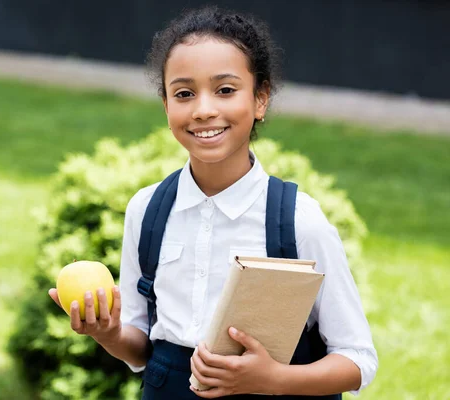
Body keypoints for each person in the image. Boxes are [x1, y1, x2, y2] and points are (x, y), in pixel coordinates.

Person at [49, 5, 378, 399]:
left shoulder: (298, 221)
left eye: (225, 90)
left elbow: (357, 359)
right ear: (166, 106)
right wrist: (109, 333)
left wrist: (271, 379)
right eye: (184, 94)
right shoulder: (147, 210)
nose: (204, 109)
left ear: (260, 99)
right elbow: (142, 349)